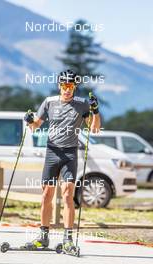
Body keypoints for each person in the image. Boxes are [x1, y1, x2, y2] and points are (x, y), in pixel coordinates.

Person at [24, 70, 101, 252]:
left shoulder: (82, 104)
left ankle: (68, 239)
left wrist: (95, 111)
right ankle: (43, 238)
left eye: (71, 86)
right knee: (46, 196)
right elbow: (35, 127)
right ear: (59, 85)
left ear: (75, 87)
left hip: (70, 155)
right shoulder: (49, 102)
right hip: (52, 153)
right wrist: (28, 121)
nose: (67, 90)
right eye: (64, 86)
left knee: (67, 195)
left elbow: (94, 129)